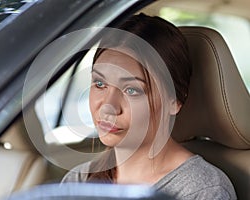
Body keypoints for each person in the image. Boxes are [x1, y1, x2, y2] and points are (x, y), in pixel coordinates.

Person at [61, 14, 236, 199]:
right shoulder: (77, 181)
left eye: (131, 90)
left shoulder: (202, 190)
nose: (108, 107)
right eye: (99, 84)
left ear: (174, 101)